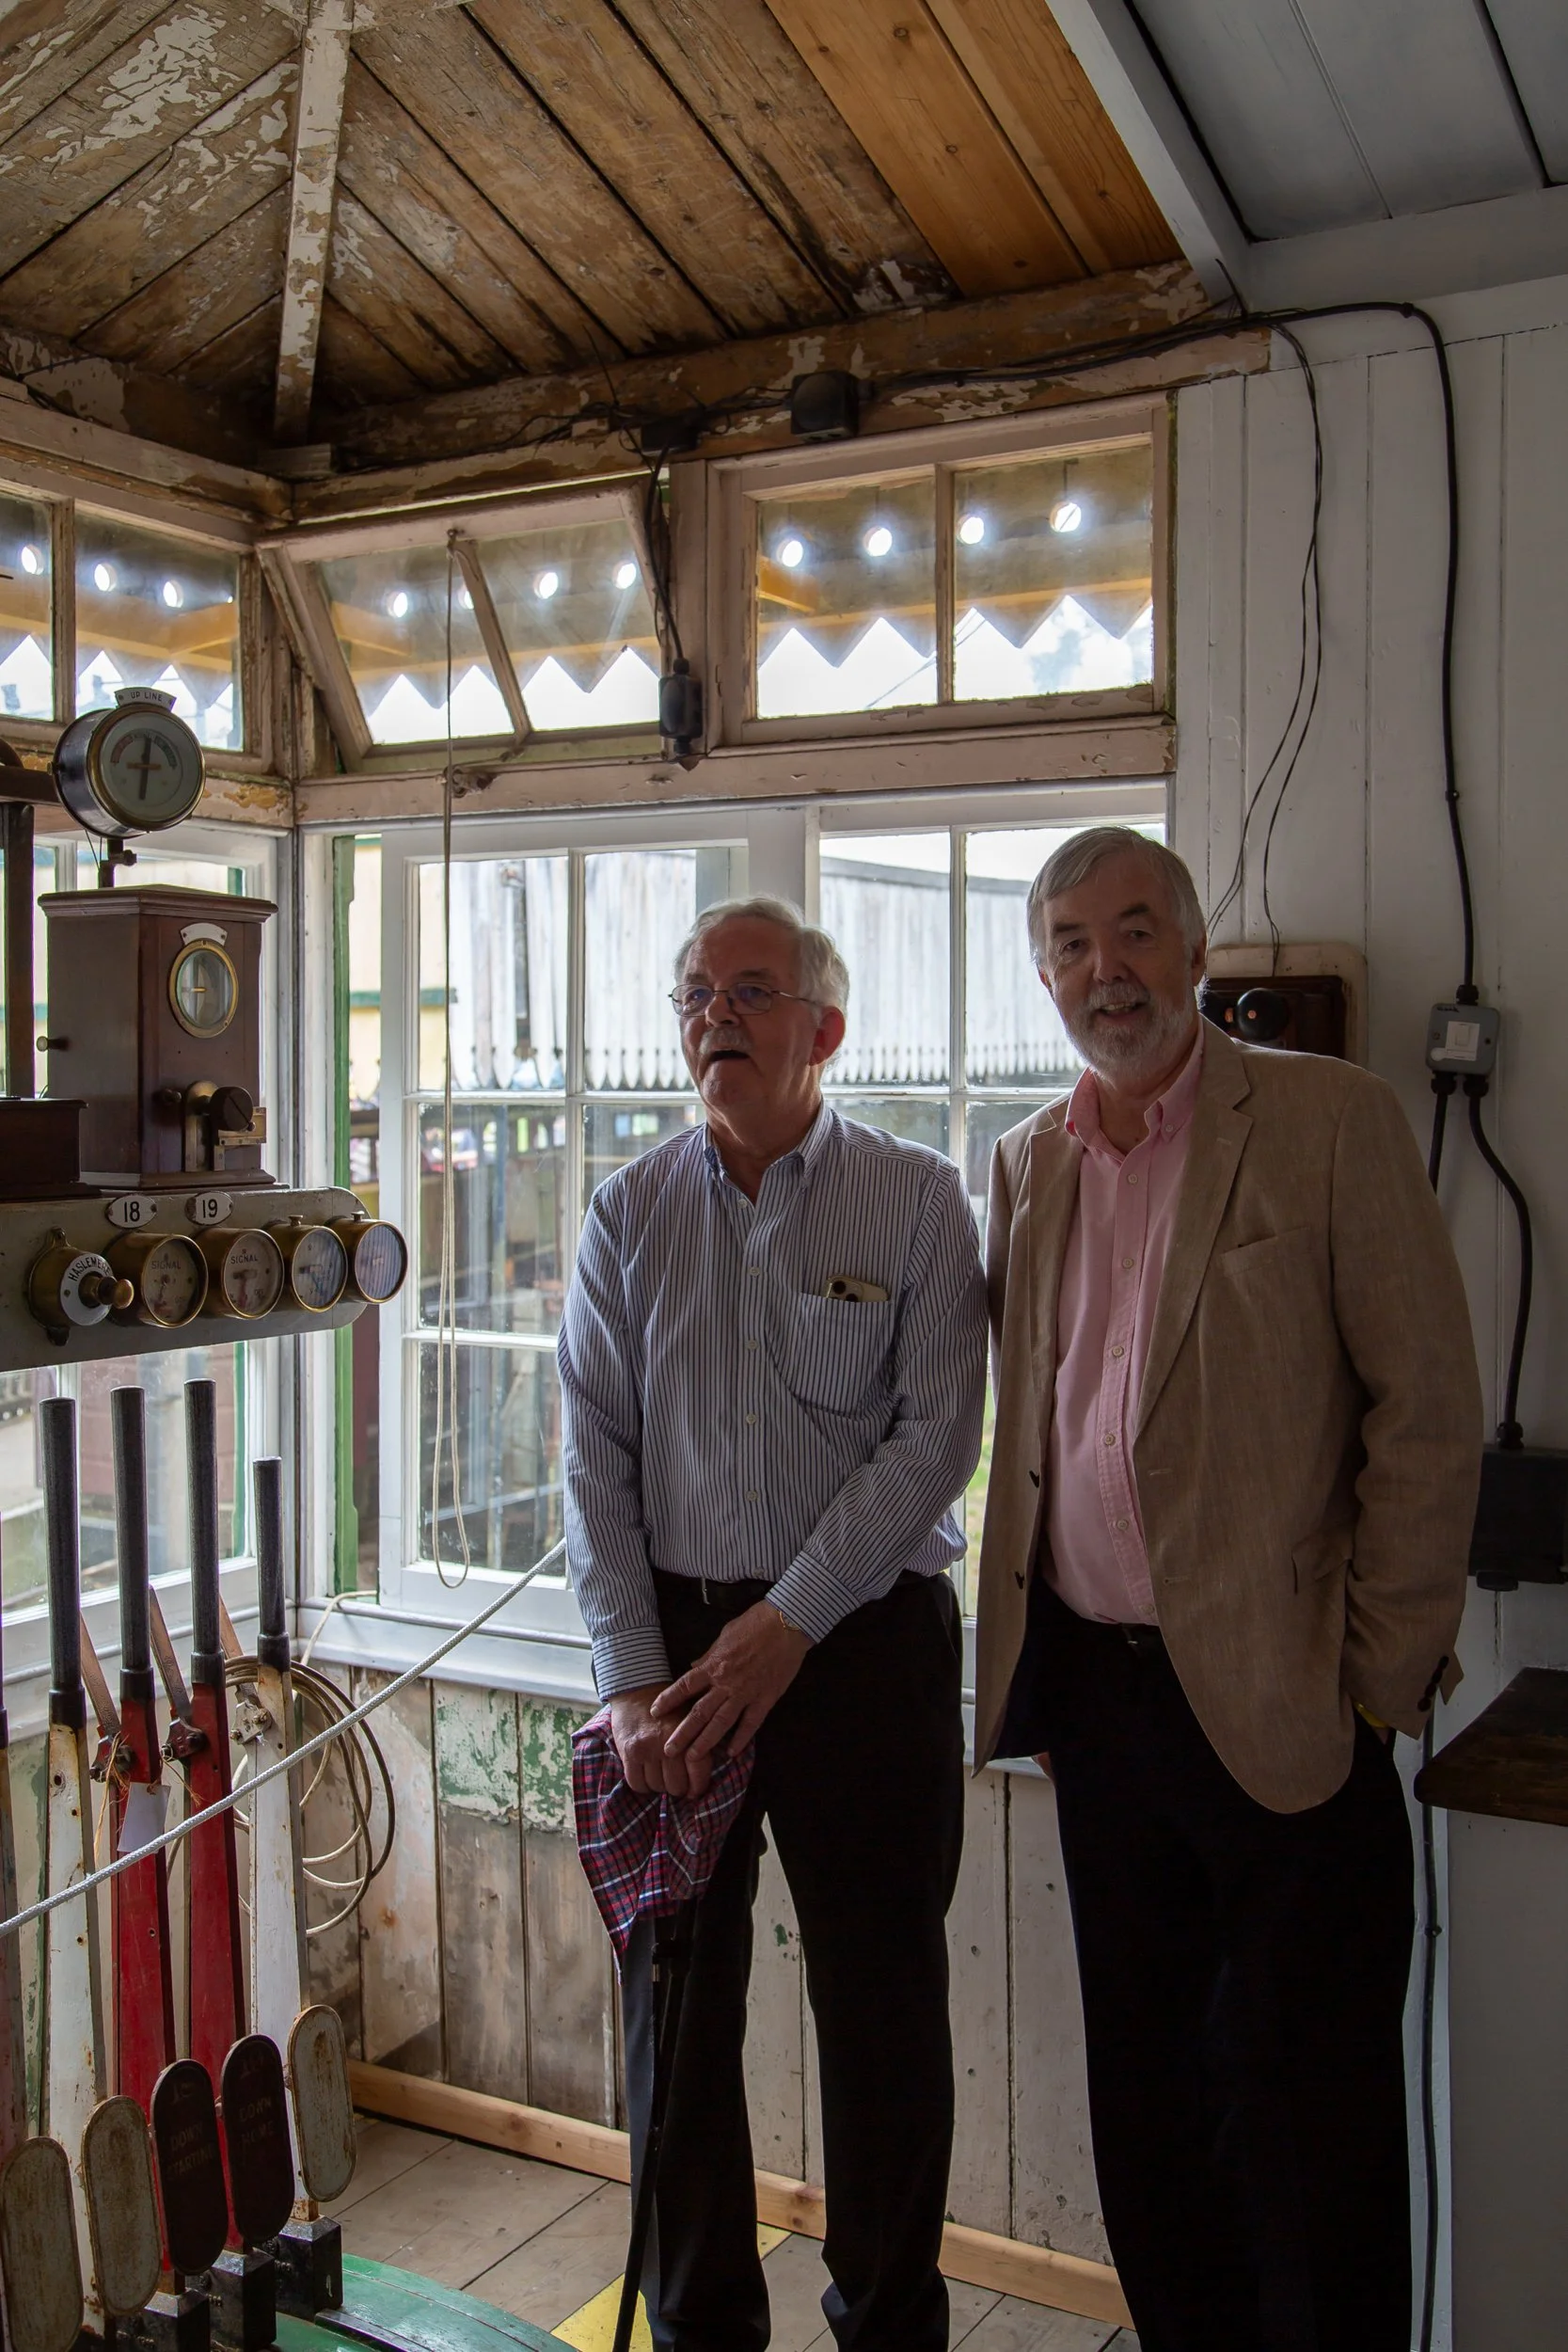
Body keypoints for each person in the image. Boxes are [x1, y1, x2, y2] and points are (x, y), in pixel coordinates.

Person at [973, 826, 1482, 2352]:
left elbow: (1427, 1410)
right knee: (1150, 2120)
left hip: (1287, 1715)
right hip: (1101, 1720)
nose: (1101, 969)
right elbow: (1036, 1440)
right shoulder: (1025, 1163)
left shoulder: (1331, 1122)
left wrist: (1373, 1682)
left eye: (1132, 932)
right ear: (1044, 972)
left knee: (1308, 2134)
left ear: (1194, 953)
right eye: (1067, 942)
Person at [559, 896, 987, 2352]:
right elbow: (591, 1464)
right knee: (675, 2026)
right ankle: (700, 2331)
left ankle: (887, 2325)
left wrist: (790, 1621)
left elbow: (936, 1441)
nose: (712, 1017)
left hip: (861, 1647)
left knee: (880, 2012)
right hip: (674, 1656)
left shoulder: (919, 1199)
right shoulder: (628, 1211)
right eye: (693, 993)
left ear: (826, 1030)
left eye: (750, 991)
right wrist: (629, 1686)